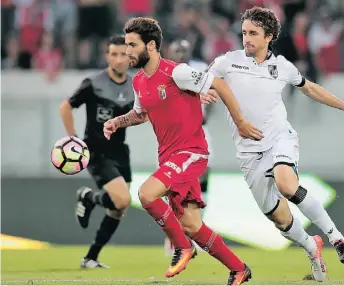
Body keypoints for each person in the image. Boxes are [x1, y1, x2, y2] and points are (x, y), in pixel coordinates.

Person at [206, 5, 344, 274]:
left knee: (286, 184)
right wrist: (203, 92)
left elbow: (311, 88)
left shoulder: (282, 66)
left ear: (269, 36)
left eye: (253, 33)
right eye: (244, 32)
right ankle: (311, 247)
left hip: (278, 139)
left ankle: (337, 238)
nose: (246, 38)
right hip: (249, 152)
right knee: (280, 220)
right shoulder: (227, 62)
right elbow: (203, 81)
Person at [103, 17, 262, 285]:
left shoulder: (177, 72)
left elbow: (219, 85)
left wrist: (241, 122)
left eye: (132, 45)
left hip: (192, 152)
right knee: (192, 225)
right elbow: (141, 114)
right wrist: (118, 122)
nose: (127, 51)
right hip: (168, 156)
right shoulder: (140, 81)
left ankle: (182, 248)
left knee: (146, 193)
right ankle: (239, 269)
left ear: (151, 45)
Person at [59, 35, 134, 268]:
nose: (119, 59)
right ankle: (88, 197)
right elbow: (66, 107)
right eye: (114, 54)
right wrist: (73, 140)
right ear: (107, 56)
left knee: (118, 209)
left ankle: (90, 257)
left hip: (120, 151)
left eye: (123, 54)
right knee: (122, 199)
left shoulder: (136, 85)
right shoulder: (94, 83)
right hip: (96, 150)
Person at [164, 39, 212, 256]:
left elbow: (215, 89)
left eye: (184, 49)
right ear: (169, 51)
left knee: (202, 178)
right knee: (172, 182)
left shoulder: (199, 68)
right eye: (177, 50)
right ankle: (173, 237)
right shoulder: (163, 72)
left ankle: (198, 231)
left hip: (200, 129)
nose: (181, 53)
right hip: (175, 134)